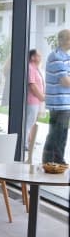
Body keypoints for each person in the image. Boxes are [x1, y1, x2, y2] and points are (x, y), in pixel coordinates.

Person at [43, 30, 70, 164]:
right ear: (63, 41)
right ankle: (51, 162)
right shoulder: (56, 57)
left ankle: (57, 162)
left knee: (61, 134)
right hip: (58, 103)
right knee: (56, 134)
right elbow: (65, 81)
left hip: (64, 102)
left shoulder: (65, 57)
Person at [25, 49, 45, 154]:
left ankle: (29, 141)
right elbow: (32, 85)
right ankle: (24, 144)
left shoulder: (35, 68)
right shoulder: (30, 67)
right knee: (29, 122)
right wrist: (41, 96)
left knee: (32, 122)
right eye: (39, 55)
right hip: (32, 100)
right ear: (33, 57)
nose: (41, 57)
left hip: (36, 100)